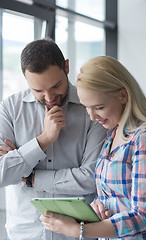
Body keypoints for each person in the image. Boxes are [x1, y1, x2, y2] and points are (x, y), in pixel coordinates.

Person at [39, 56, 146, 239]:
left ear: (123, 95)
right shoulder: (112, 136)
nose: (92, 116)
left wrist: (77, 230)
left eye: (99, 107)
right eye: (86, 107)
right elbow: (116, 194)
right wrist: (99, 205)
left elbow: (143, 217)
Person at [0, 38, 106, 240]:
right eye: (38, 90)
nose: (49, 98)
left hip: (78, 234)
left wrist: (30, 177)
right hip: (25, 234)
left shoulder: (91, 108)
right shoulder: (9, 109)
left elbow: (92, 178)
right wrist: (43, 140)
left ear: (66, 66)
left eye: (56, 85)